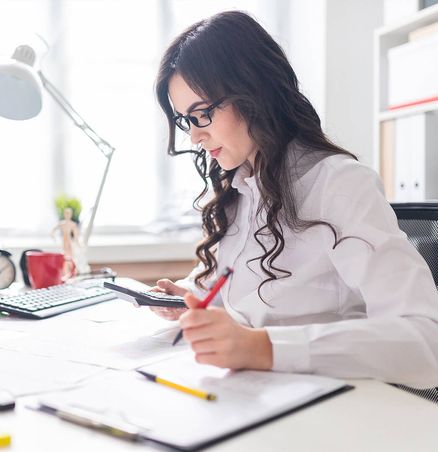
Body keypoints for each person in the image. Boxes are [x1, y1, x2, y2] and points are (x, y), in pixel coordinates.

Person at [151, 10, 438, 389]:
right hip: (255, 395)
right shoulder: (240, 189)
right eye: (187, 120)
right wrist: (188, 295)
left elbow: (425, 341)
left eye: (202, 114)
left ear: (253, 92)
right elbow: (235, 292)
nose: (195, 137)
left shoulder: (339, 185)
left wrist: (264, 348)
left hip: (334, 407)